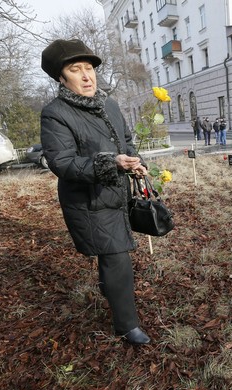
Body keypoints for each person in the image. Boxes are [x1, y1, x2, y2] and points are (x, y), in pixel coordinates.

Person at [40, 39, 151, 345]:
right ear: (62, 78)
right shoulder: (55, 113)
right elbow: (62, 162)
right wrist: (110, 162)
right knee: (118, 258)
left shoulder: (109, 105)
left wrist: (134, 160)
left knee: (111, 254)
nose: (87, 76)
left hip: (117, 195)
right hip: (88, 201)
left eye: (89, 68)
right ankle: (127, 326)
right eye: (76, 70)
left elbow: (126, 141)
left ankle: (110, 289)